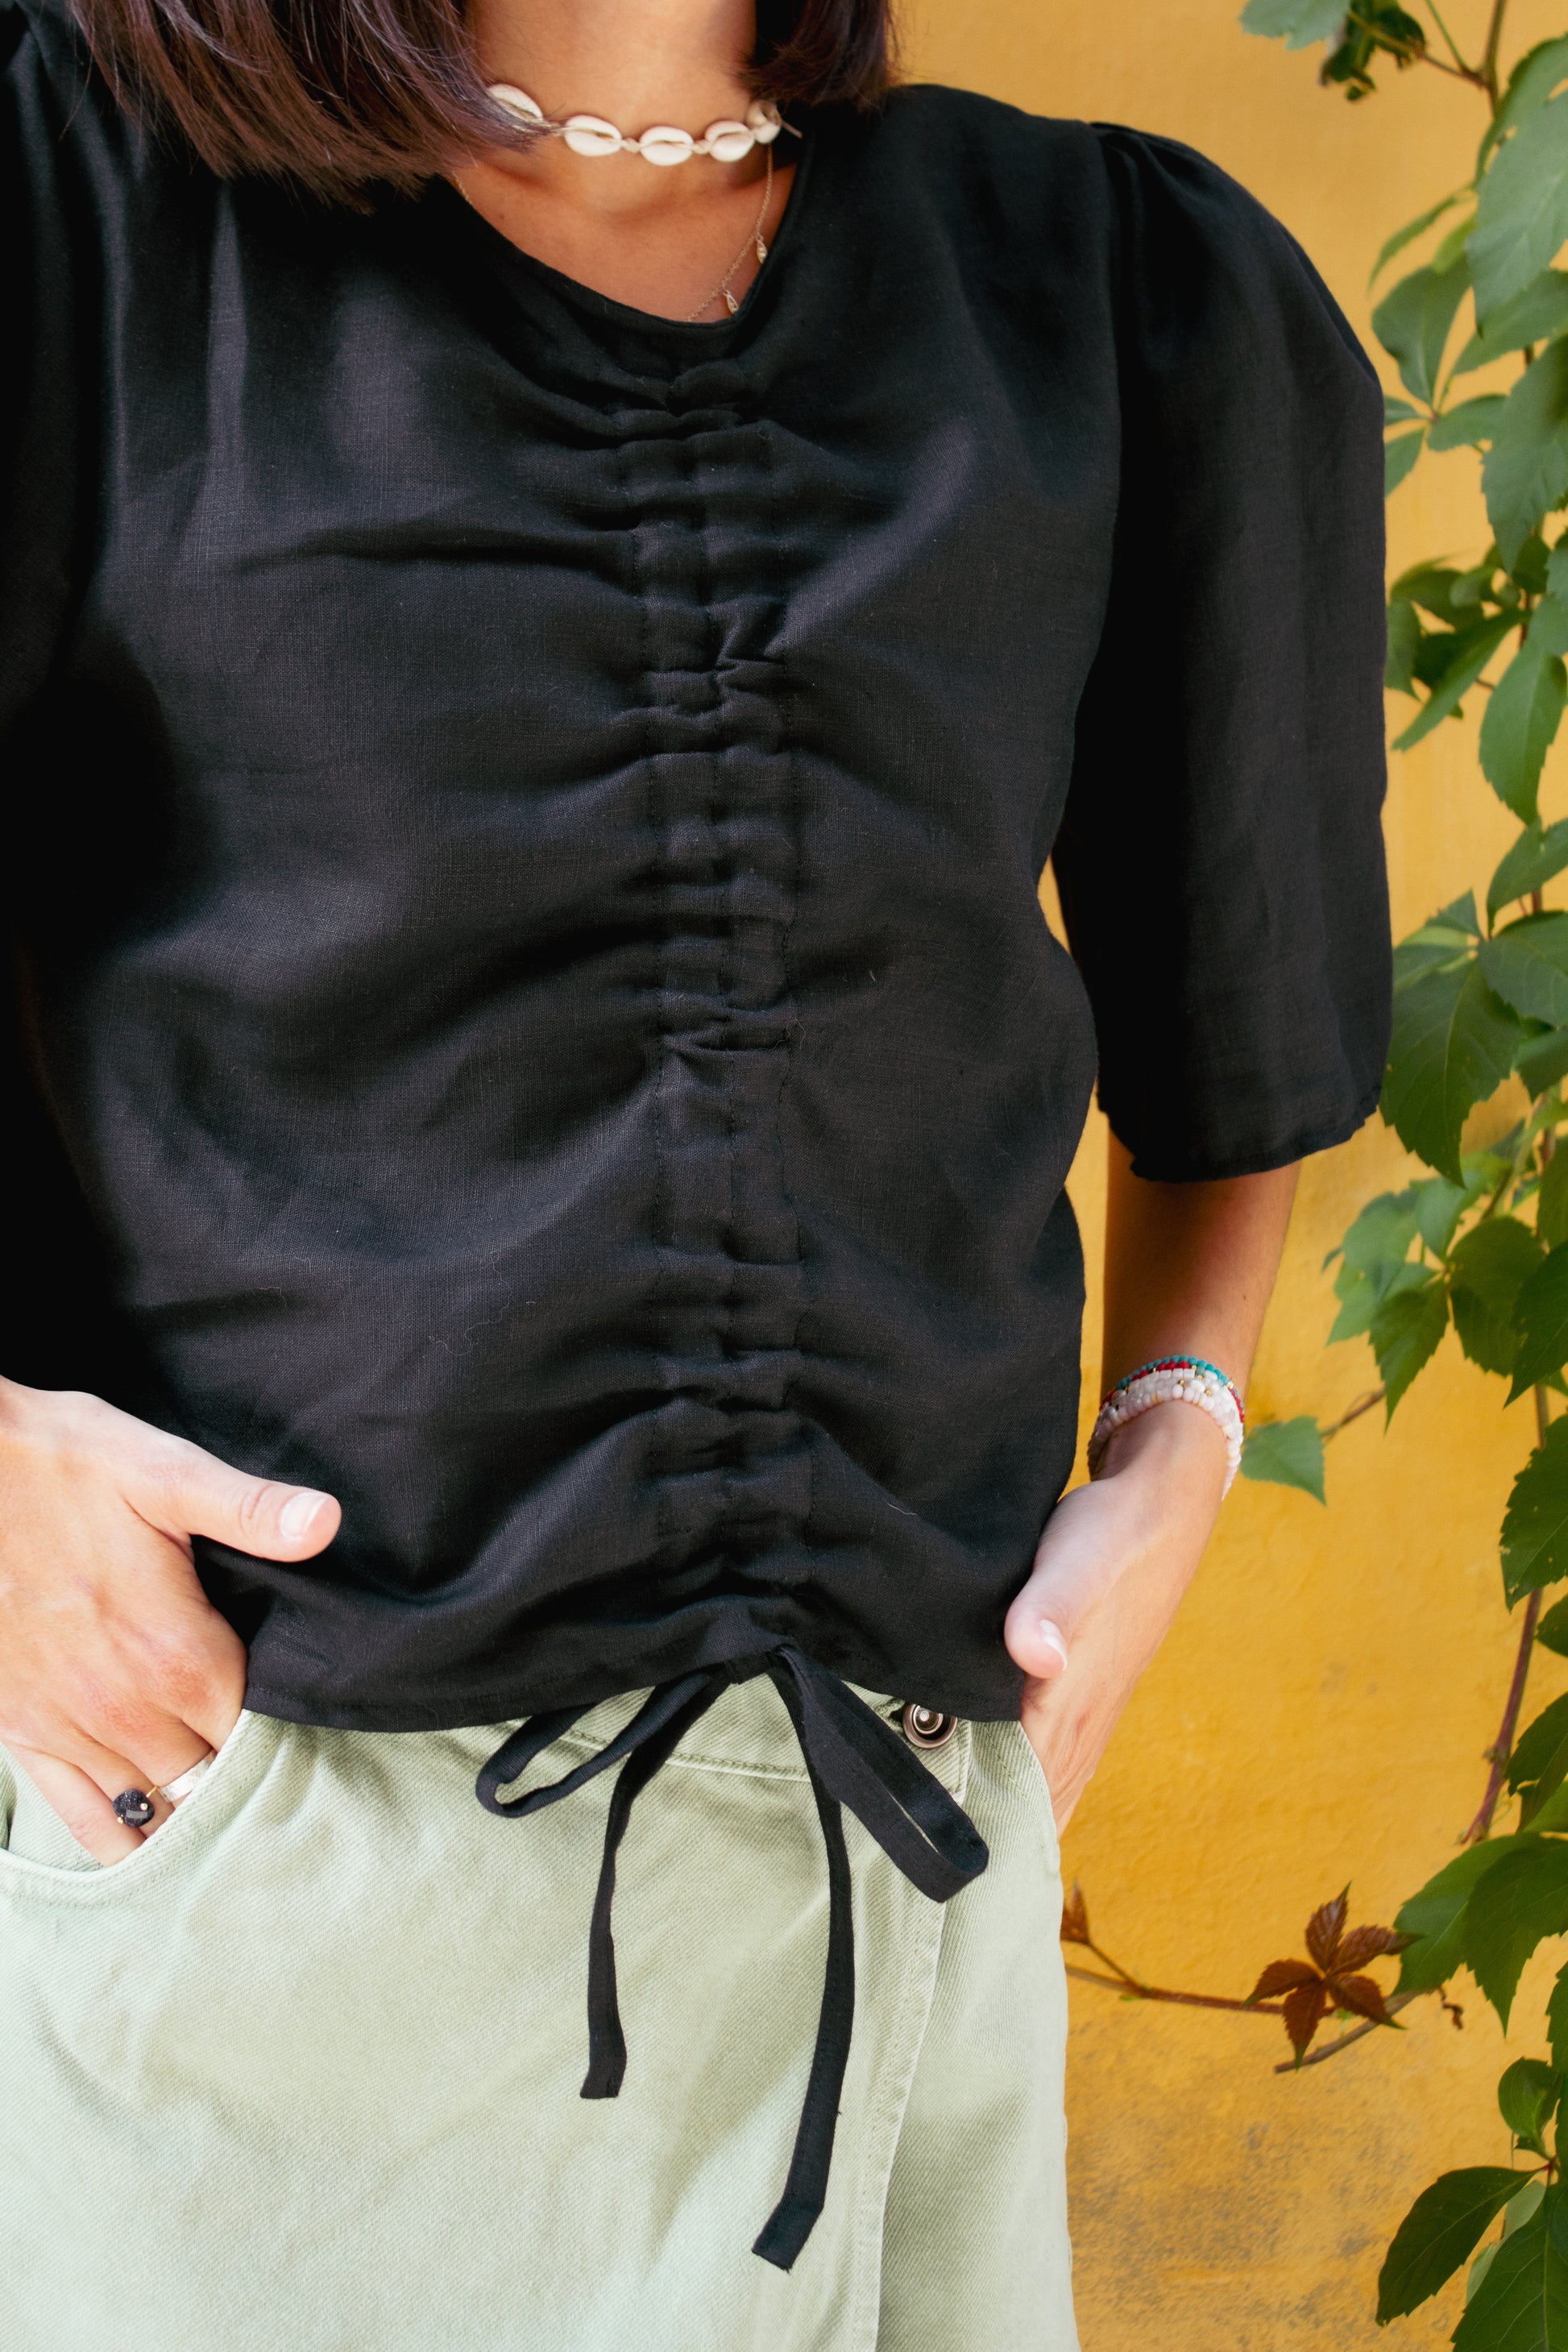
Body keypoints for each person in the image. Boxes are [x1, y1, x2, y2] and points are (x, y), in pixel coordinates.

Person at [0, 0, 1390, 2339]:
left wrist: (1176, 1450)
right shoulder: (81, 194)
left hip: (896, 1878)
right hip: (264, 1876)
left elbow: (1226, 1030)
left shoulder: (1095, 277)